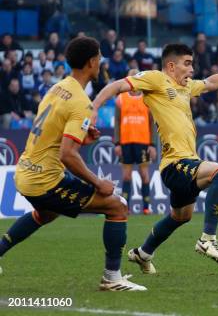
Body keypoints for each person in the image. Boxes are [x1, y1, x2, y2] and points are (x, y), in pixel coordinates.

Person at [92, 43, 218, 271]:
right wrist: (94, 107)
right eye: (187, 63)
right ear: (171, 66)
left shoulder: (185, 87)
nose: (192, 69)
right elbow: (117, 85)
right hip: (175, 163)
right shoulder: (155, 78)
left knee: (181, 216)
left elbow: (212, 82)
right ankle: (207, 239)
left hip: (187, 161)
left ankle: (143, 253)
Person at [0, 36, 147, 291]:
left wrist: (83, 138)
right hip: (45, 180)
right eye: (99, 57)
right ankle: (112, 278)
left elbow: (53, 135)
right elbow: (67, 155)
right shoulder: (81, 102)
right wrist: (97, 182)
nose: (101, 61)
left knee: (45, 213)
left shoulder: (57, 88)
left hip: (26, 172)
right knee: (117, 207)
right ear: (91, 62)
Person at [114, 69, 157, 215]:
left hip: (143, 142)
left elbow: (152, 123)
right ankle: (126, 207)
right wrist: (117, 143)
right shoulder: (120, 98)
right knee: (126, 176)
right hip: (125, 142)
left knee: (144, 175)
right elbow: (117, 122)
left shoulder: (147, 98)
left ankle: (146, 207)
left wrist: (152, 145)